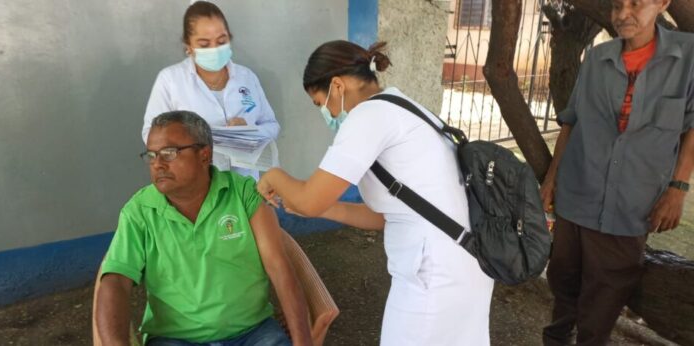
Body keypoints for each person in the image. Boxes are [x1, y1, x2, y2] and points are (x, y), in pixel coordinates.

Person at [256, 40, 494, 345]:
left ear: (337, 86)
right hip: (463, 260)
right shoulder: (400, 106)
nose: (326, 114)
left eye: (320, 103)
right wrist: (325, 207)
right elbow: (385, 215)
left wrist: (274, 174)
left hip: (435, 275)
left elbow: (309, 199)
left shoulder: (367, 117)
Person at [539, 0, 694, 344]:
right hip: (578, 190)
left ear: (662, 4)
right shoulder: (597, 58)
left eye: (636, 4)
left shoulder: (688, 58)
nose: (624, 14)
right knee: (563, 281)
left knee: (606, 296)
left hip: (632, 202)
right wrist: (551, 179)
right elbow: (571, 119)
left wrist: (678, 188)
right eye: (617, 5)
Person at [96, 111, 311, 346]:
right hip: (174, 339)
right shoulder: (140, 210)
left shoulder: (243, 194)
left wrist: (303, 342)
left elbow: (279, 268)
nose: (157, 164)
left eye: (169, 153)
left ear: (204, 155)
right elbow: (115, 281)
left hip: (252, 332)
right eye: (151, 155)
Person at [142, 1, 280, 179]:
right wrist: (191, 142)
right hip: (195, 185)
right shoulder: (171, 81)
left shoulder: (247, 77)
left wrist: (249, 131)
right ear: (188, 46)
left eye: (221, 41)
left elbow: (271, 125)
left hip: (246, 184)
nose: (214, 49)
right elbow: (150, 135)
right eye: (204, 44)